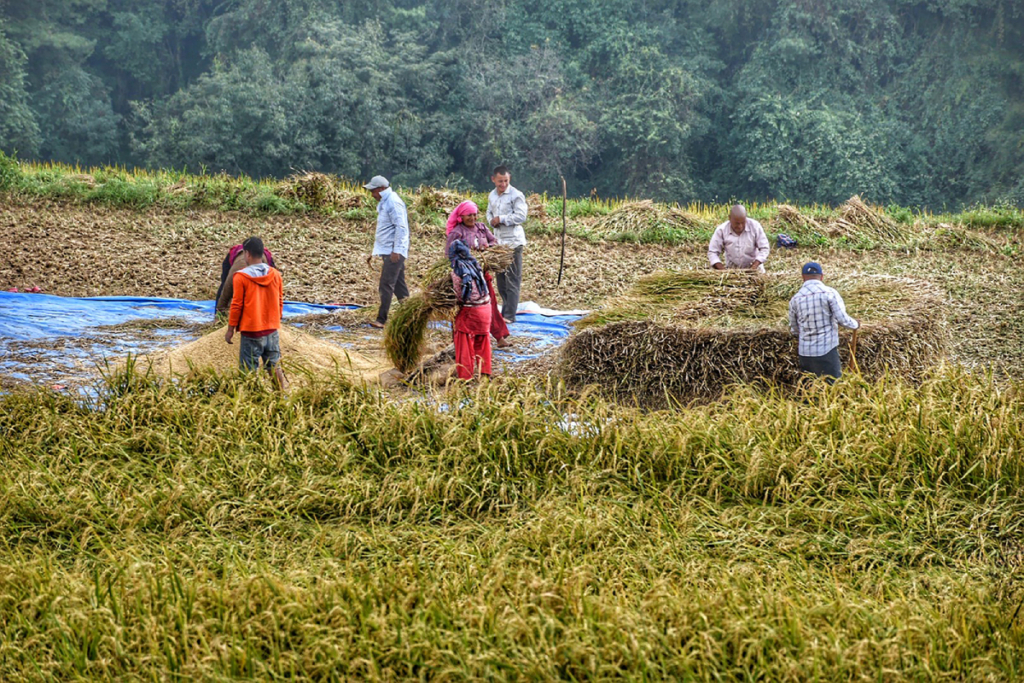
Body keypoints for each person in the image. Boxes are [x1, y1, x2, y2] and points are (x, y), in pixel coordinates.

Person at [446, 200, 511, 348]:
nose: (473, 218)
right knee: (464, 307)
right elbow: (448, 254)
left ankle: (499, 336)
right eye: (469, 215)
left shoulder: (481, 228)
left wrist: (488, 249)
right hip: (465, 276)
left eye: (475, 215)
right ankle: (458, 338)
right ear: (461, 216)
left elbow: (493, 241)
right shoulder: (457, 232)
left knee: (490, 303)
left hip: (482, 274)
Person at [224, 237, 286, 388]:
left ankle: (251, 399)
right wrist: (276, 320)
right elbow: (280, 300)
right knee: (274, 365)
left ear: (247, 254)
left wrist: (231, 328)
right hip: (272, 330)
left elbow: (236, 305)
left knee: (248, 370)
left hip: (251, 332)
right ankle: (282, 396)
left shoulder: (241, 277)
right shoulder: (275, 274)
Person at [788, 262, 860, 383]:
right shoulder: (829, 293)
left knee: (810, 390)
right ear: (821, 276)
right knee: (832, 388)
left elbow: (794, 329)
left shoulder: (795, 299)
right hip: (826, 350)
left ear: (803, 277)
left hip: (805, 353)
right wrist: (855, 324)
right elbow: (842, 319)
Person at [364, 175, 410, 328]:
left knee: (386, 284)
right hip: (389, 250)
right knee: (398, 285)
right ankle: (411, 314)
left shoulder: (393, 202)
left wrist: (396, 250)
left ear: (381, 189)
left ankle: (381, 319)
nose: (372, 194)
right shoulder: (386, 201)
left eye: (373, 191)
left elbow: (401, 228)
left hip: (394, 251)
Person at [485, 165, 528, 324]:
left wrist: (502, 219)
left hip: (513, 242)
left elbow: (521, 216)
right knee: (501, 280)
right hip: (498, 242)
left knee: (512, 280)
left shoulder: (516, 195)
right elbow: (489, 212)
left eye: (505, 181)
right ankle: (505, 311)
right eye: (500, 181)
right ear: (493, 180)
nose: (503, 184)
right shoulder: (492, 195)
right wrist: (492, 221)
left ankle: (510, 315)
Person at [449, 239, 492, 381]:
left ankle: (465, 376)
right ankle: (484, 373)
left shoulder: (457, 271)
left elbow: (460, 295)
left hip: (473, 311)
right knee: (482, 341)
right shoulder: (476, 264)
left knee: (463, 342)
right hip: (487, 309)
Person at [215, 242, 276, 317]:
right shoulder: (235, 276)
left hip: (262, 257)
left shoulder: (270, 274)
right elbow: (224, 296)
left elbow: (274, 295)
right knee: (224, 286)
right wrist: (219, 315)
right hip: (236, 256)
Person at [708, 205, 770, 272]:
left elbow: (764, 248)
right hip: (732, 271)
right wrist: (723, 271)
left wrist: (754, 266)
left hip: (756, 271)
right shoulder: (721, 230)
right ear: (729, 218)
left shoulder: (755, 227)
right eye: (737, 223)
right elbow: (713, 252)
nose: (740, 226)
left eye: (743, 222)